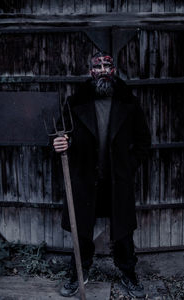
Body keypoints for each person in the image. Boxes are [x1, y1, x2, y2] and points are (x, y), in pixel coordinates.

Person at [53, 52, 151, 298]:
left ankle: (128, 273)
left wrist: (128, 166)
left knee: (123, 232)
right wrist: (60, 143)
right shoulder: (75, 103)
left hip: (117, 178)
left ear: (114, 70)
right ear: (90, 72)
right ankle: (78, 272)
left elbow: (144, 142)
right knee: (82, 230)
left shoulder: (129, 102)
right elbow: (58, 136)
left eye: (108, 65)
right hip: (85, 178)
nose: (103, 69)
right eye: (98, 66)